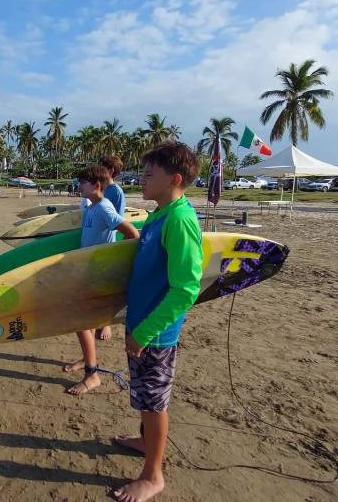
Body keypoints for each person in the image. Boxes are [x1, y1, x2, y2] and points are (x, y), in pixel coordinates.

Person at [111, 141, 202, 502]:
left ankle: (153, 475)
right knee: (144, 398)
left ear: (174, 179)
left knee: (153, 404)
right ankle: (145, 442)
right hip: (141, 325)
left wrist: (145, 332)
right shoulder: (159, 215)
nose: (142, 180)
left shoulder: (179, 219)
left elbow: (186, 288)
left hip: (156, 334)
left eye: (149, 175)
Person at [64, 165, 139, 396]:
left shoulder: (105, 208)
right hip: (89, 272)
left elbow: (132, 233)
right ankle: (87, 359)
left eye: (83, 183)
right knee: (84, 322)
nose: (79, 186)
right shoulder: (92, 208)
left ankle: (92, 374)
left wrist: (113, 260)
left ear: (97, 185)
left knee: (80, 322)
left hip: (99, 274)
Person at [95, 155, 126, 341]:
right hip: (95, 241)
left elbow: (119, 220)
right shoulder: (102, 188)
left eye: (102, 167)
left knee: (107, 286)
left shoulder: (116, 192)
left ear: (111, 170)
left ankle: (106, 323)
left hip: (107, 241)